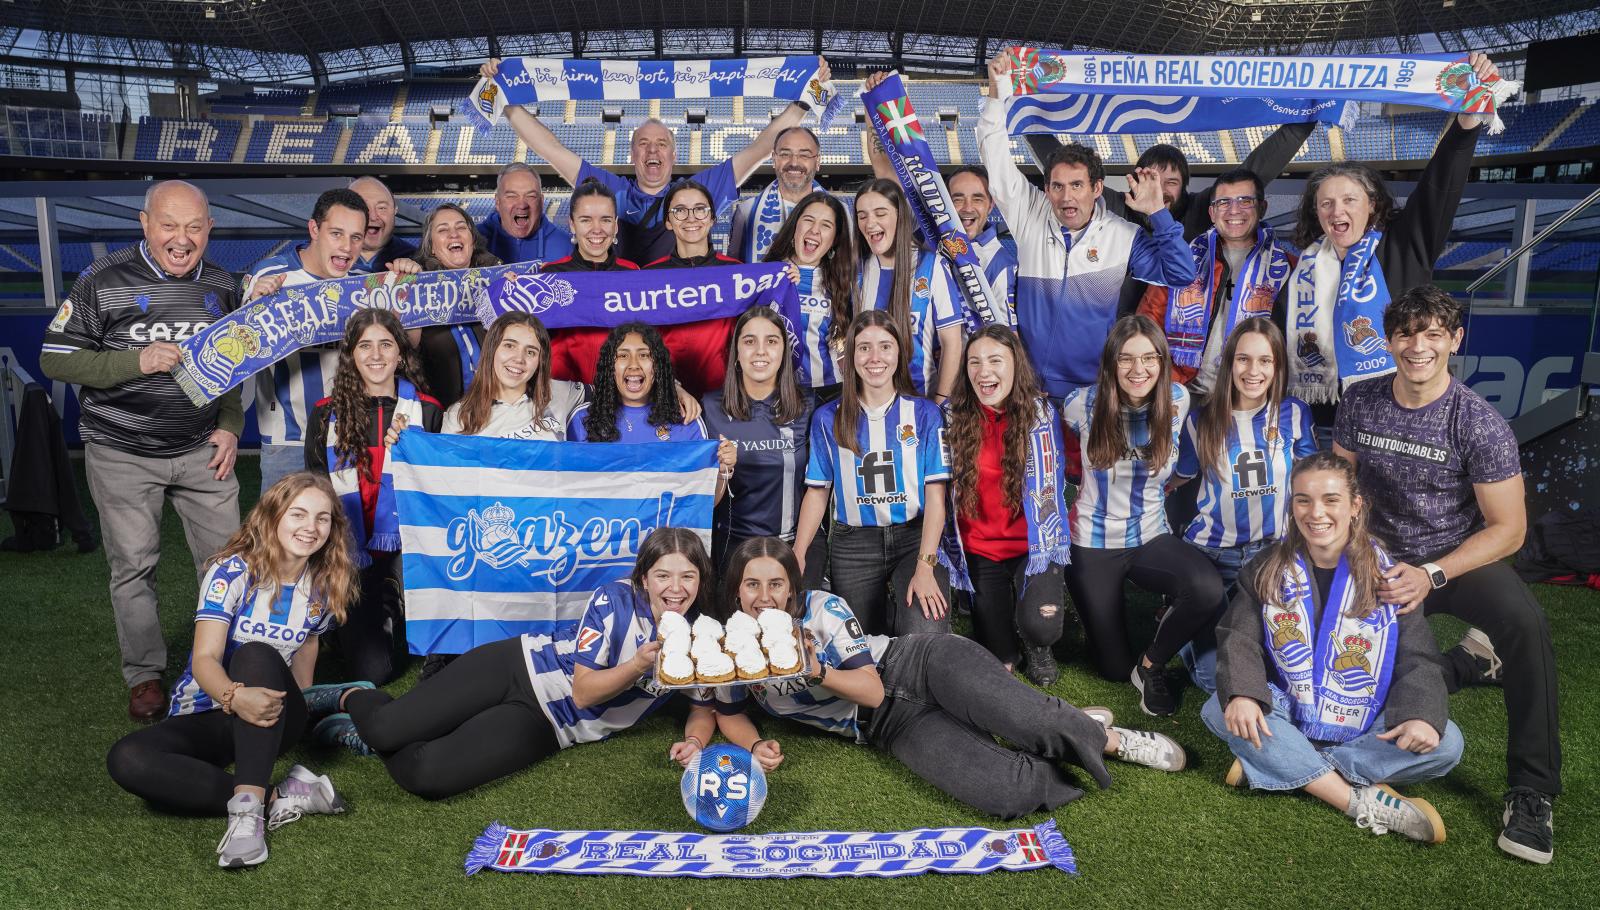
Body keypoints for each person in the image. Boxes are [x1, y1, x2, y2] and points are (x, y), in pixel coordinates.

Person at [704, 537, 1186, 819]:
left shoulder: (820, 610)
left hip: (917, 665)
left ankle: (1106, 739)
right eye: (751, 584)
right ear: (736, 589)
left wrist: (816, 669)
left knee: (1026, 717)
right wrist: (752, 747)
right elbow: (728, 712)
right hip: (884, 727)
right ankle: (1048, 725)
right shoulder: (728, 645)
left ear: (792, 588)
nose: (763, 596)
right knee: (1007, 793)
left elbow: (871, 688)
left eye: (775, 584)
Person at [1333, 285, 1560, 864]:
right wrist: (1357, 555)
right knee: (1362, 676)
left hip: (1451, 562)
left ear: (1455, 340)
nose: (1419, 346)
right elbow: (1341, 487)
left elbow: (1507, 530)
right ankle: (1465, 664)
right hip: (1379, 560)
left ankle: (1532, 790)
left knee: (1525, 624)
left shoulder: (1478, 422)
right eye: (1407, 333)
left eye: (1434, 333)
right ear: (1388, 340)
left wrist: (1432, 573)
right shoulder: (1360, 401)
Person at [306, 528, 722, 800]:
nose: (676, 588)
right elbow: (583, 690)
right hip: (518, 666)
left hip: (552, 724)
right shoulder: (616, 598)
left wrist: (697, 742)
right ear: (644, 578)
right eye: (663, 575)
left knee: (426, 776)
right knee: (386, 727)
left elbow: (703, 706)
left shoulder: (702, 637)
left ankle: (370, 735)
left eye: (688, 576)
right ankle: (355, 697)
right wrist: (637, 666)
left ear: (700, 580)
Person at [39, 179, 243, 721]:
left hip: (203, 450)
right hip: (121, 449)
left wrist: (229, 423)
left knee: (228, 564)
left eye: (194, 227)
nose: (182, 239)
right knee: (133, 566)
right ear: (144, 223)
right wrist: (138, 361)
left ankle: (222, 664)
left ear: (210, 230)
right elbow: (56, 359)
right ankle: (145, 675)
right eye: (169, 226)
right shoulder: (101, 281)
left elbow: (238, 364)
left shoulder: (224, 285)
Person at [1204, 452, 1464, 845]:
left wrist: (1421, 717)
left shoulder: (1389, 575)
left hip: (1363, 714)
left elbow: (1418, 657)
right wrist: (1243, 694)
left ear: (1355, 506)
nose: (1315, 513)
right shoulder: (1268, 566)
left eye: (1330, 500)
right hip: (1286, 706)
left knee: (1446, 742)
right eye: (1303, 500)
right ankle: (1355, 801)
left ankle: (1278, 763)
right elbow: (1238, 637)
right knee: (1218, 707)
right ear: (1292, 505)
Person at [106, 473, 356, 867]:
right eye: (299, 514)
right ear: (273, 516)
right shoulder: (232, 571)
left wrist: (302, 699)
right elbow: (205, 658)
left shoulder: (323, 584)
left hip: (271, 714)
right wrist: (235, 697)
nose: (311, 528)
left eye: (322, 518)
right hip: (212, 710)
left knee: (255, 654)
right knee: (128, 759)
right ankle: (283, 794)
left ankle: (248, 815)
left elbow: (309, 640)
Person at [1287, 52, 1500, 423]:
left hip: (1397, 417)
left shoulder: (1403, 245)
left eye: (1349, 200)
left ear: (1372, 205)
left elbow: (1439, 186)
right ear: (1316, 212)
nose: (1337, 211)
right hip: (1317, 422)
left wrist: (1467, 119)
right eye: (1326, 203)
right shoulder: (1303, 267)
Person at [978, 54, 1197, 399]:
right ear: (1046, 189)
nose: (1067, 197)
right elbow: (994, 154)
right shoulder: (1029, 214)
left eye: (1077, 186)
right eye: (1058, 186)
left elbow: (1182, 274)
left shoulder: (1124, 236)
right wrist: (997, 91)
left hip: (1092, 392)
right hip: (1028, 389)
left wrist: (1157, 212)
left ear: (1096, 189)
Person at [480, 57, 831, 264]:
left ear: (674, 154)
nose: (652, 151)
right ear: (631, 155)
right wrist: (506, 100)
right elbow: (552, 149)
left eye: (661, 144)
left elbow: (759, 148)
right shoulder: (611, 191)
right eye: (643, 144)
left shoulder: (696, 192)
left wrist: (802, 102)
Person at [1061, 315, 1222, 716]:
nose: (1139, 370)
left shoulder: (1179, 400)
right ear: (1111, 364)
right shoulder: (1080, 404)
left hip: (1150, 535)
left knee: (1206, 589)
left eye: (1149, 358)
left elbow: (1187, 460)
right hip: (1093, 543)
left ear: (1162, 361)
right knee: (1113, 668)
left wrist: (1170, 484)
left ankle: (1151, 664)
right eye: (1127, 359)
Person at [1169, 319, 1317, 693]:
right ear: (1229, 363)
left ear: (1278, 366)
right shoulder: (1200, 420)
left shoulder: (1295, 413)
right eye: (1243, 360)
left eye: (1265, 361)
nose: (1254, 371)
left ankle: (1232, 621)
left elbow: (1310, 480)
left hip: (1272, 553)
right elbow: (1179, 478)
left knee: (1283, 669)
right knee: (1211, 679)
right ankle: (1188, 619)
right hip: (1212, 553)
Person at [242, 188, 420, 493]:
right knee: (285, 534)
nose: (346, 247)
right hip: (290, 439)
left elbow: (408, 342)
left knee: (346, 533)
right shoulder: (271, 277)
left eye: (355, 237)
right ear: (314, 229)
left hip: (348, 433)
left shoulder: (364, 283)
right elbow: (242, 352)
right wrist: (254, 311)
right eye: (336, 233)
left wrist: (408, 288)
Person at [305, 309, 443, 685]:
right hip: (351, 548)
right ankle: (348, 614)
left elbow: (438, 492)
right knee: (374, 671)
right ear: (350, 354)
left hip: (408, 547)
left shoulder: (428, 411)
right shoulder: (325, 414)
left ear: (401, 353)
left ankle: (394, 600)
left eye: (386, 344)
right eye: (365, 345)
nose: (377, 354)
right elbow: (317, 495)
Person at [793, 310, 951, 637]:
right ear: (851, 356)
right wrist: (798, 552)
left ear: (899, 353)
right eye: (864, 347)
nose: (875, 357)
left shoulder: (925, 414)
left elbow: (936, 497)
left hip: (913, 537)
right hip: (855, 543)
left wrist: (926, 565)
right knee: (858, 644)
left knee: (923, 636)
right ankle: (890, 614)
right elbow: (818, 492)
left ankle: (906, 618)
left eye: (885, 346)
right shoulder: (828, 418)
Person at [943, 325, 1070, 685]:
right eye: (974, 362)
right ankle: (997, 621)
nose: (984, 372)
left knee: (1042, 627)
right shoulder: (951, 417)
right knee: (1000, 657)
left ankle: (1038, 643)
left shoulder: (1042, 416)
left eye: (995, 360)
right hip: (981, 548)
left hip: (1033, 546)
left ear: (1016, 365)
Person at [542, 179, 728, 396]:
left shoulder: (633, 275)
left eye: (605, 219)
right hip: (561, 393)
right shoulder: (549, 276)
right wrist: (509, 285)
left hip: (622, 395)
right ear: (572, 224)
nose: (596, 229)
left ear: (615, 225)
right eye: (585, 220)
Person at [1137, 168, 1297, 397]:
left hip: (1254, 397)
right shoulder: (1183, 261)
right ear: (1212, 212)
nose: (1234, 210)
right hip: (1185, 394)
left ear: (1262, 208)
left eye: (1245, 201)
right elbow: (1147, 325)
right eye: (1223, 202)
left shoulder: (1290, 269)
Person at [702, 305, 814, 574]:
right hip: (732, 546)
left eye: (772, 341)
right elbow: (700, 498)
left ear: (785, 352)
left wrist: (798, 552)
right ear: (736, 353)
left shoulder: (808, 406)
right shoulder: (709, 407)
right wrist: (722, 474)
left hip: (792, 545)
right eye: (749, 341)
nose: (760, 351)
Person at [854, 178, 966, 401]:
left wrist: (941, 401)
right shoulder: (858, 271)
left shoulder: (931, 266)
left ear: (900, 215)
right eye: (862, 215)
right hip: (868, 406)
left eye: (880, 213)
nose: (870, 223)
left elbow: (952, 342)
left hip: (922, 401)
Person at [763, 190, 855, 398]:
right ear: (795, 227)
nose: (815, 230)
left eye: (826, 225)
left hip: (830, 392)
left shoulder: (844, 282)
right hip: (774, 391)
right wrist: (775, 277)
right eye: (808, 220)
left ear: (835, 239)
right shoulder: (764, 275)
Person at [442, 312, 586, 441]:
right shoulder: (459, 417)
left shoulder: (561, 393)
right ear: (491, 349)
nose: (519, 359)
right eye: (509, 346)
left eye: (530, 352)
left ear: (540, 361)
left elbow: (607, 391)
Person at [413, 202, 499, 408]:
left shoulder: (498, 280)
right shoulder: (418, 290)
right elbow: (406, 348)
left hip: (500, 409)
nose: (454, 234)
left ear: (472, 239)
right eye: (443, 230)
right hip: (444, 414)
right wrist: (406, 287)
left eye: (461, 227)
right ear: (432, 247)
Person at [728, 126, 833, 263]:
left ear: (818, 161)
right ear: (774, 159)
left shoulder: (839, 212)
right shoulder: (746, 212)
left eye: (804, 155)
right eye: (785, 154)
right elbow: (732, 271)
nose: (794, 162)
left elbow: (849, 270)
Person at [948, 165, 1019, 326]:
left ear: (991, 205)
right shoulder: (931, 245)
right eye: (957, 199)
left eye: (977, 199)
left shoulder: (1000, 262)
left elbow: (1006, 335)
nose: (967, 208)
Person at [476, 162, 574, 266]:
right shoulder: (472, 241)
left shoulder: (566, 247)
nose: (522, 205)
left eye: (531, 196)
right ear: (497, 202)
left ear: (541, 202)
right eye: (511, 196)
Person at [347, 176, 416, 274]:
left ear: (395, 210)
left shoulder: (415, 258)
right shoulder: (326, 257)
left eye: (382, 208)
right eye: (362, 207)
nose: (373, 216)